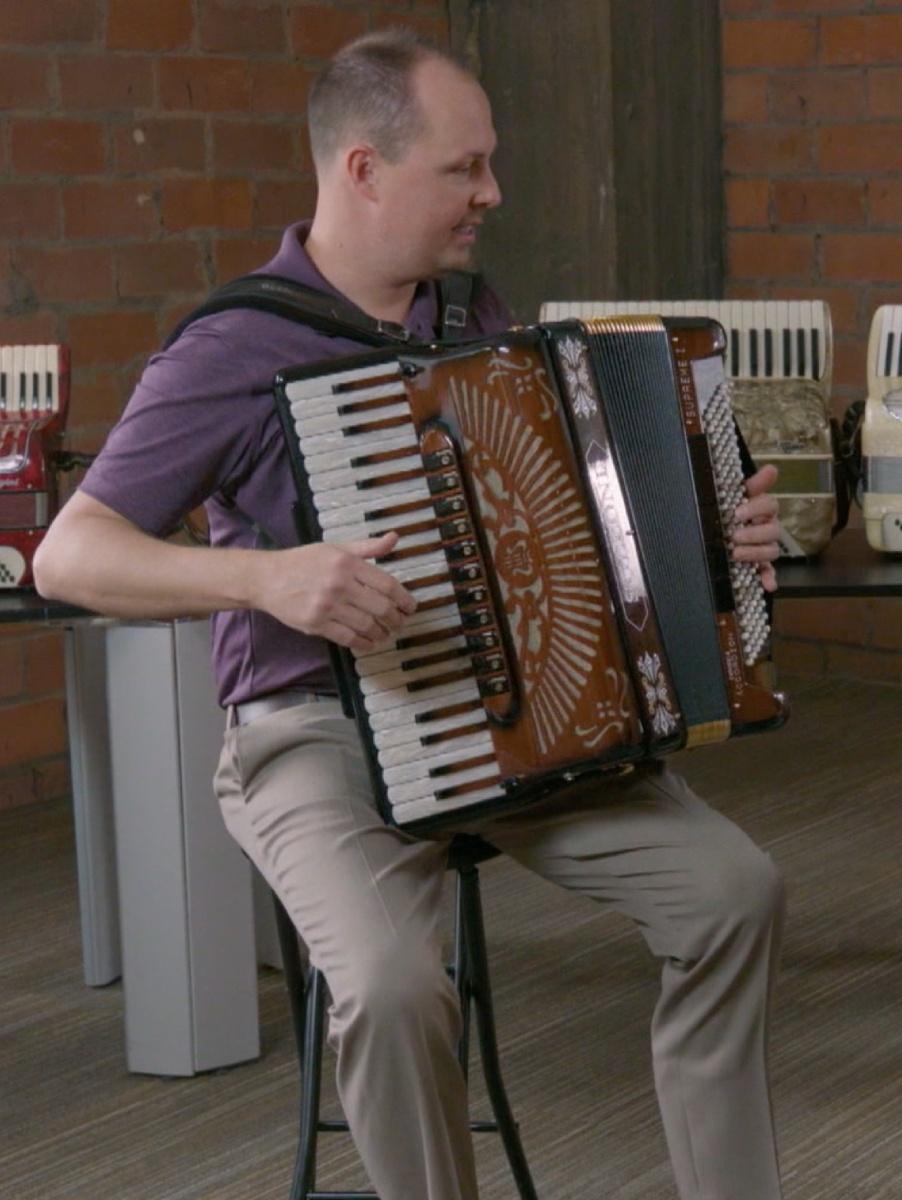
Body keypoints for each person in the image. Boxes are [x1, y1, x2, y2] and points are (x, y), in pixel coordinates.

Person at [35, 30, 787, 1200]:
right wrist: (268, 579)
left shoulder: (471, 321)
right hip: (314, 732)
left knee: (734, 892)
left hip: (517, 720)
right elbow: (69, 557)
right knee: (390, 987)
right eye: (464, 169)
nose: (492, 193)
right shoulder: (230, 349)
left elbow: (570, 529)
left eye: (488, 165)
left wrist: (710, 539)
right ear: (363, 171)